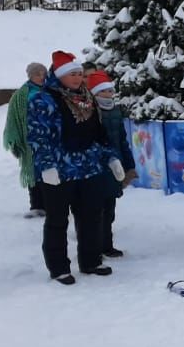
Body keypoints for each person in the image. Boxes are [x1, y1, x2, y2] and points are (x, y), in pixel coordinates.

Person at [27, 51, 125, 285]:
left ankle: (90, 261)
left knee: (91, 216)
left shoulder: (87, 98)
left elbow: (98, 134)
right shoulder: (43, 99)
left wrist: (111, 158)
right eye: (72, 74)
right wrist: (46, 166)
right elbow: (37, 136)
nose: (77, 78)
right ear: (59, 75)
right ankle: (59, 268)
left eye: (80, 74)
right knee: (57, 220)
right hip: (59, 171)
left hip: (89, 168)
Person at [88, 70, 137, 257]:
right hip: (98, 166)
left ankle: (107, 244)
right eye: (104, 92)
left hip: (116, 166)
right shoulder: (92, 111)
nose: (109, 95)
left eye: (110, 91)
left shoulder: (115, 111)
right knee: (96, 209)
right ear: (95, 94)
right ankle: (94, 247)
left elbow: (123, 140)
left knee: (110, 208)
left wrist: (129, 164)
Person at [3, 62, 48, 217]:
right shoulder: (21, 95)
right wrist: (15, 140)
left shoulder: (52, 91)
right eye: (37, 74)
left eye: (43, 73)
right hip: (29, 140)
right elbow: (12, 118)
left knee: (49, 171)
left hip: (49, 139)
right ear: (30, 76)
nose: (41, 77)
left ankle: (51, 204)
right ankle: (36, 205)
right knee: (33, 171)